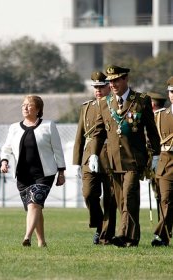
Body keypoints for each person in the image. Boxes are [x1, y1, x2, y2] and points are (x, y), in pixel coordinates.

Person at [88, 65, 160, 247]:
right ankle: (131, 239)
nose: (112, 84)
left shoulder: (141, 101)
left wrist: (156, 155)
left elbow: (152, 131)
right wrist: (94, 154)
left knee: (128, 195)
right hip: (113, 161)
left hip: (134, 159)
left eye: (115, 80)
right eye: (110, 81)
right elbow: (98, 132)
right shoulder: (105, 103)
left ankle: (122, 234)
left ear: (125, 79)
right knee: (123, 200)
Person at [0, 95, 66, 247]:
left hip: (44, 174)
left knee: (34, 204)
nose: (25, 107)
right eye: (23, 105)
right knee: (35, 207)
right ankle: (41, 242)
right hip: (23, 175)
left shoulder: (49, 125)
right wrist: (4, 161)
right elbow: (7, 148)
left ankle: (27, 237)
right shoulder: (14, 127)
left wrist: (61, 172)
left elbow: (58, 150)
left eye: (29, 105)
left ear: (38, 110)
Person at [73, 71, 117, 245]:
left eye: (101, 86)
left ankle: (106, 233)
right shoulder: (87, 107)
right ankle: (99, 225)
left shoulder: (115, 105)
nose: (98, 90)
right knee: (89, 193)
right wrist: (76, 162)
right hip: (88, 155)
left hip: (109, 154)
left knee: (110, 197)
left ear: (109, 87)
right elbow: (80, 136)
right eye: (95, 87)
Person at [150, 77, 173, 246]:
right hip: (166, 163)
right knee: (166, 200)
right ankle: (163, 237)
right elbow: (151, 141)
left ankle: (161, 232)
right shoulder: (159, 116)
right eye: (171, 92)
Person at [147, 91, 168, 221]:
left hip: (161, 161)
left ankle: (164, 227)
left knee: (161, 195)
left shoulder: (156, 118)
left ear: (152, 104)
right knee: (160, 195)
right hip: (157, 161)